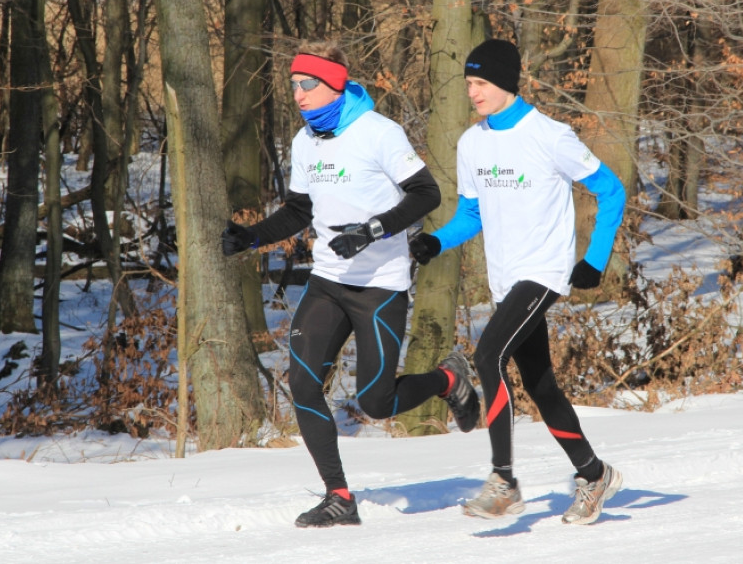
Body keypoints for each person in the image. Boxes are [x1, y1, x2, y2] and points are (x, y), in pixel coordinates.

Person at [221, 42, 480, 528]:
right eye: (293, 85)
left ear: (334, 84)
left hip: (380, 286)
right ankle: (338, 496)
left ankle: (449, 380)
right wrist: (252, 237)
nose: (297, 94)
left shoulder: (378, 133)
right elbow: (301, 210)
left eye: (307, 85)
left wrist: (372, 230)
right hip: (328, 282)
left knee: (376, 403)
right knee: (301, 383)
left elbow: (427, 193)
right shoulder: (304, 142)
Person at [408, 38, 626, 524]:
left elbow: (611, 190)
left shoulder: (550, 135)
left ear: (506, 81)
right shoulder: (472, 143)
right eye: (468, 83)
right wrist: (436, 242)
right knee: (541, 384)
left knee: (488, 356)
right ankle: (594, 475)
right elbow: (470, 214)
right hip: (505, 281)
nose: (473, 92)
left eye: (481, 82)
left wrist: (594, 259)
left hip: (543, 271)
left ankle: (504, 480)